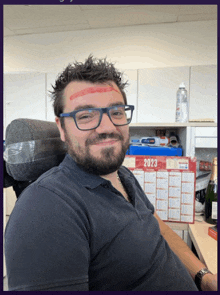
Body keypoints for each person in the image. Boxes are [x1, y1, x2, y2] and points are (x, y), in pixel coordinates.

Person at [4, 55, 217, 291]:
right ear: (61, 129)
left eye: (116, 112)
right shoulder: (46, 208)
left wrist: (203, 277)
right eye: (85, 115)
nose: (107, 127)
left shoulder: (124, 176)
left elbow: (161, 230)